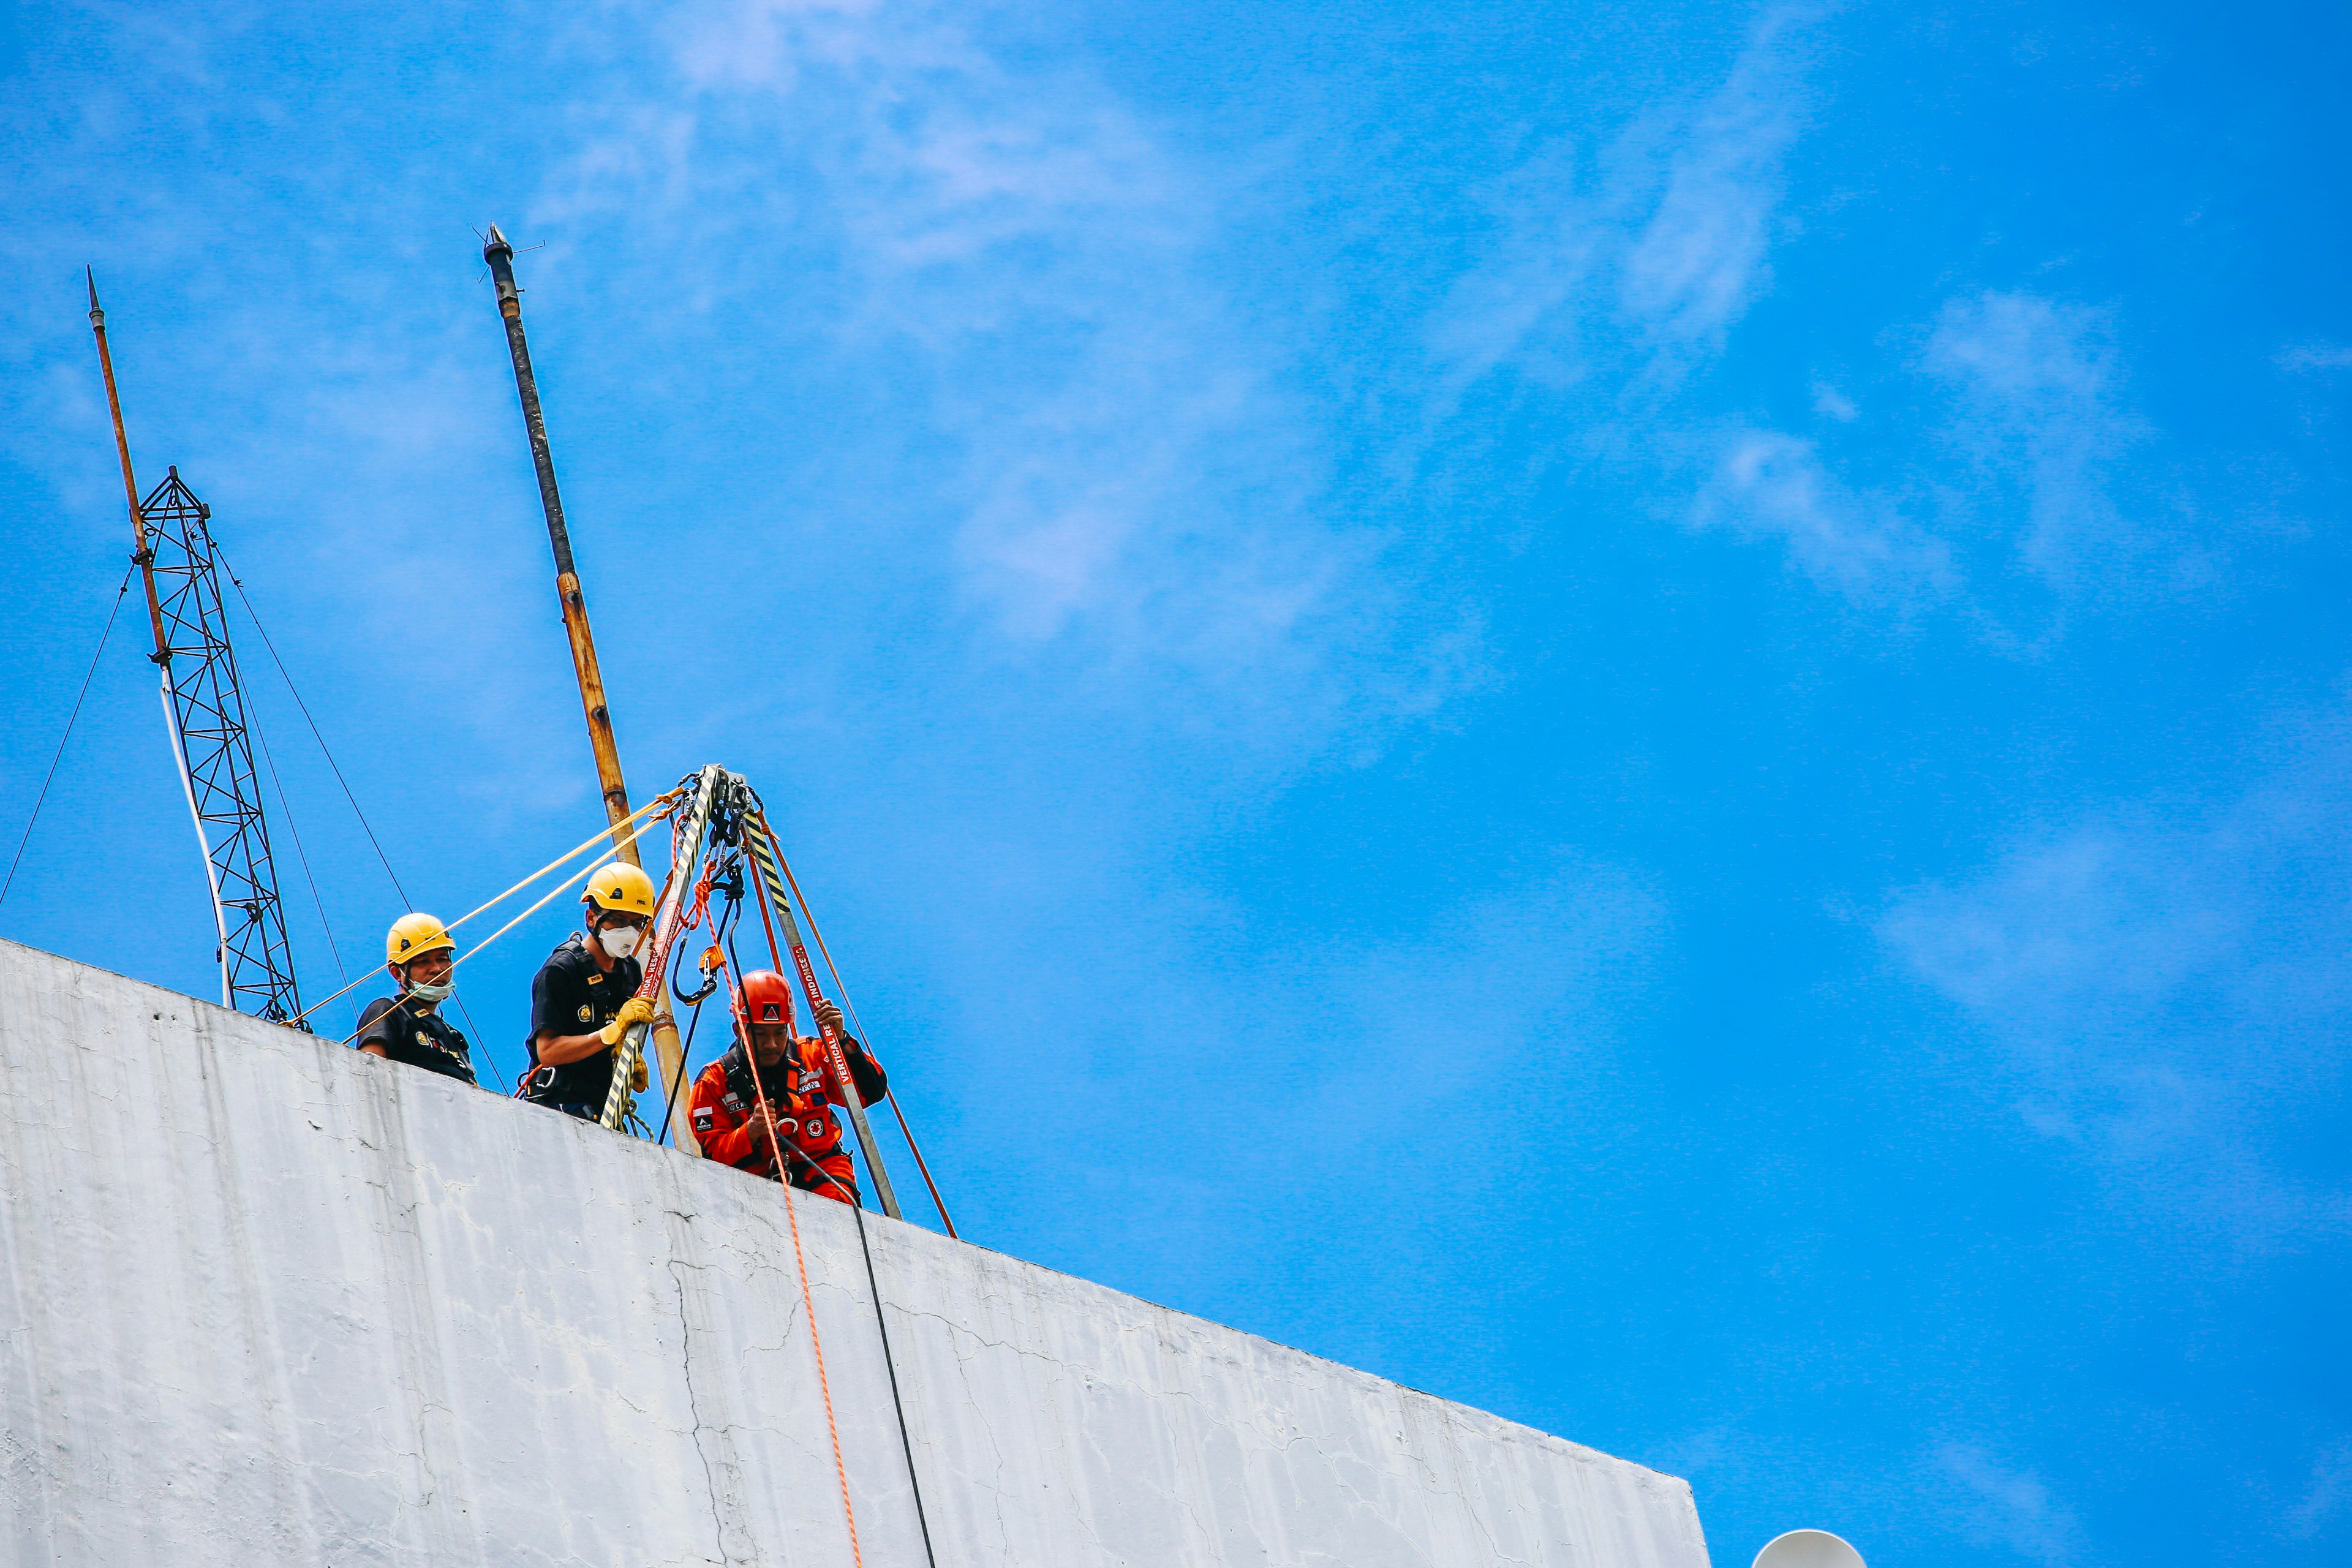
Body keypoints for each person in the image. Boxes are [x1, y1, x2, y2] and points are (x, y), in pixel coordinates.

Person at [688, 969, 886, 1204]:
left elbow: (870, 1092)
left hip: (824, 1173)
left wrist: (841, 1042)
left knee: (839, 1213)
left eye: (780, 1032)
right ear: (739, 1030)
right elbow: (710, 1158)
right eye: (760, 1033)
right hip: (754, 1190)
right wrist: (751, 1131)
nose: (771, 1044)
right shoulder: (714, 1082)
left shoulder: (812, 1056)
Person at [519, 861, 658, 1121]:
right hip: (559, 1107)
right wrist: (611, 1033)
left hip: (603, 1106)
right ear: (592, 918)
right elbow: (547, 1052)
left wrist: (627, 1057)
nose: (627, 931)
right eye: (616, 919)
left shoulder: (629, 971)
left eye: (637, 922)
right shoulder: (562, 971)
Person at [355, 913, 478, 1085]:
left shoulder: (453, 1036)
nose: (437, 969)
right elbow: (369, 1076)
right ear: (397, 973)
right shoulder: (388, 1012)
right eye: (423, 962)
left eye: (443, 959)